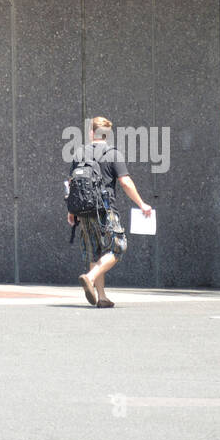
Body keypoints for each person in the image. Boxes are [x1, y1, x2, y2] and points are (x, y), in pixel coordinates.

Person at [69, 115, 153, 309]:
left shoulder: (80, 152)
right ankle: (89, 278)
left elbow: (72, 183)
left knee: (94, 252)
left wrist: (71, 210)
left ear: (91, 132)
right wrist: (142, 203)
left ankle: (102, 297)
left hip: (83, 211)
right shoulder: (112, 153)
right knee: (118, 246)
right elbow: (125, 182)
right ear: (107, 135)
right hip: (105, 210)